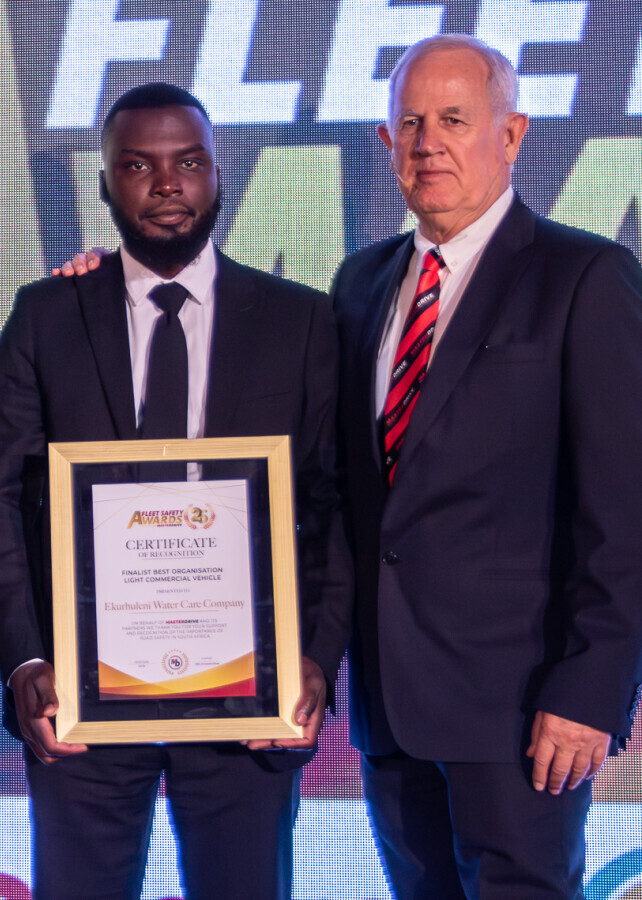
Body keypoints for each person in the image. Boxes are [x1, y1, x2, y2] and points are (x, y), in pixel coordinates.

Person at [0, 83, 347, 900]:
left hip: (251, 693)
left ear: (218, 174)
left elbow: (330, 506)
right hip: (79, 692)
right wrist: (25, 658)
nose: (168, 183)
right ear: (106, 182)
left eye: (189, 162)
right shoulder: (47, 315)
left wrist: (316, 656)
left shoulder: (301, 321)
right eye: (139, 165)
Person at [329, 34, 642, 899]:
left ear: (511, 134)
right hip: (390, 710)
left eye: (455, 120)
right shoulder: (359, 284)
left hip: (525, 710)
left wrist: (590, 690)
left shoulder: (587, 277)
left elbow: (625, 513)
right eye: (411, 124)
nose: (429, 143)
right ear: (386, 142)